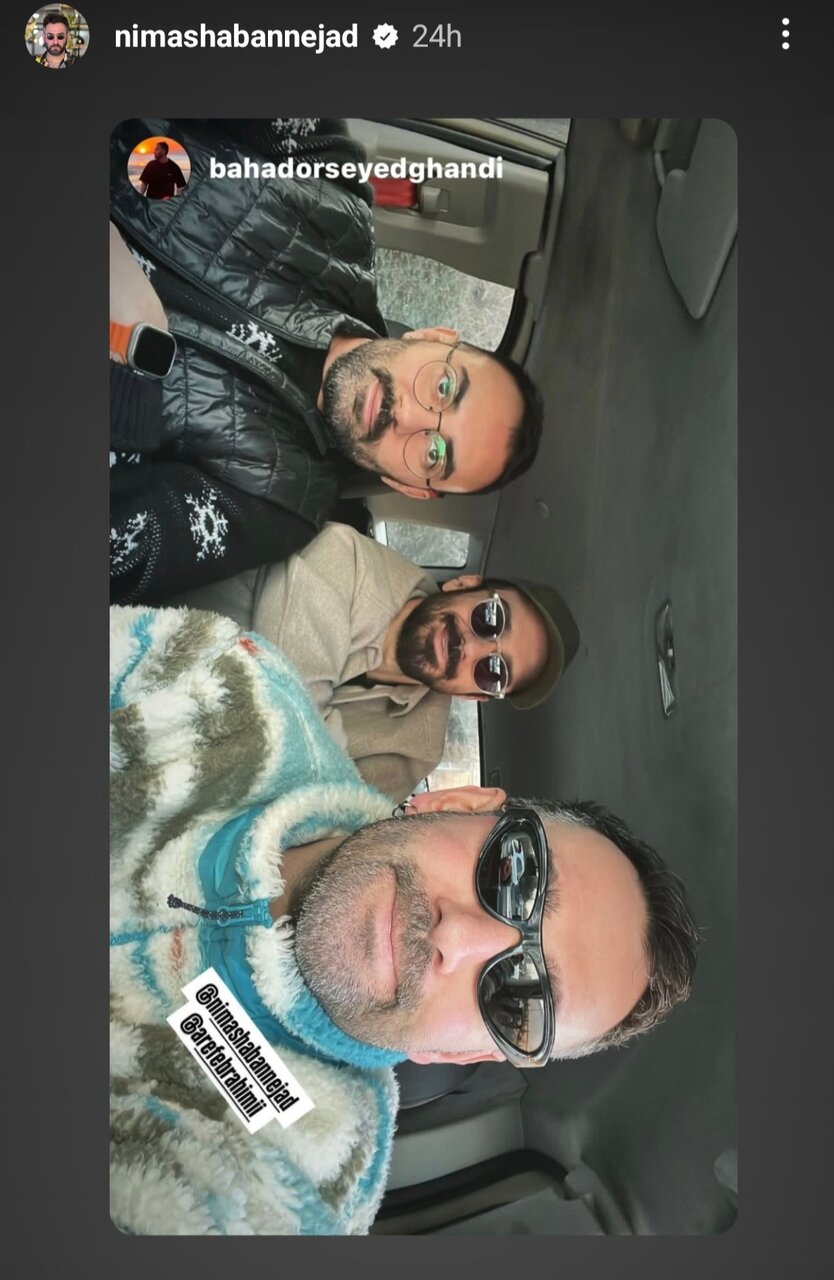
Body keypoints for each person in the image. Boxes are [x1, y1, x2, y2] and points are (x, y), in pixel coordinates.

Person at [110, 605, 700, 1235]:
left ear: (458, 1051)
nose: (456, 937)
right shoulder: (226, 686)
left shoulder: (308, 1179)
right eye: (515, 875)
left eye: (519, 1000)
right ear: (456, 803)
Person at [109, 118, 543, 604]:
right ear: (433, 336)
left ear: (411, 487)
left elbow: (111, 545)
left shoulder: (276, 506)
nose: (407, 415)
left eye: (434, 454)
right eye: (444, 388)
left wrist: (125, 380)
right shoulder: (333, 189)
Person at [173, 522, 580, 802]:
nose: (469, 648)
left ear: (476, 695)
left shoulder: (416, 751)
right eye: (490, 619)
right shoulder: (345, 556)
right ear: (463, 584)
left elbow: (329, 813)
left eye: (493, 671)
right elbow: (277, 700)